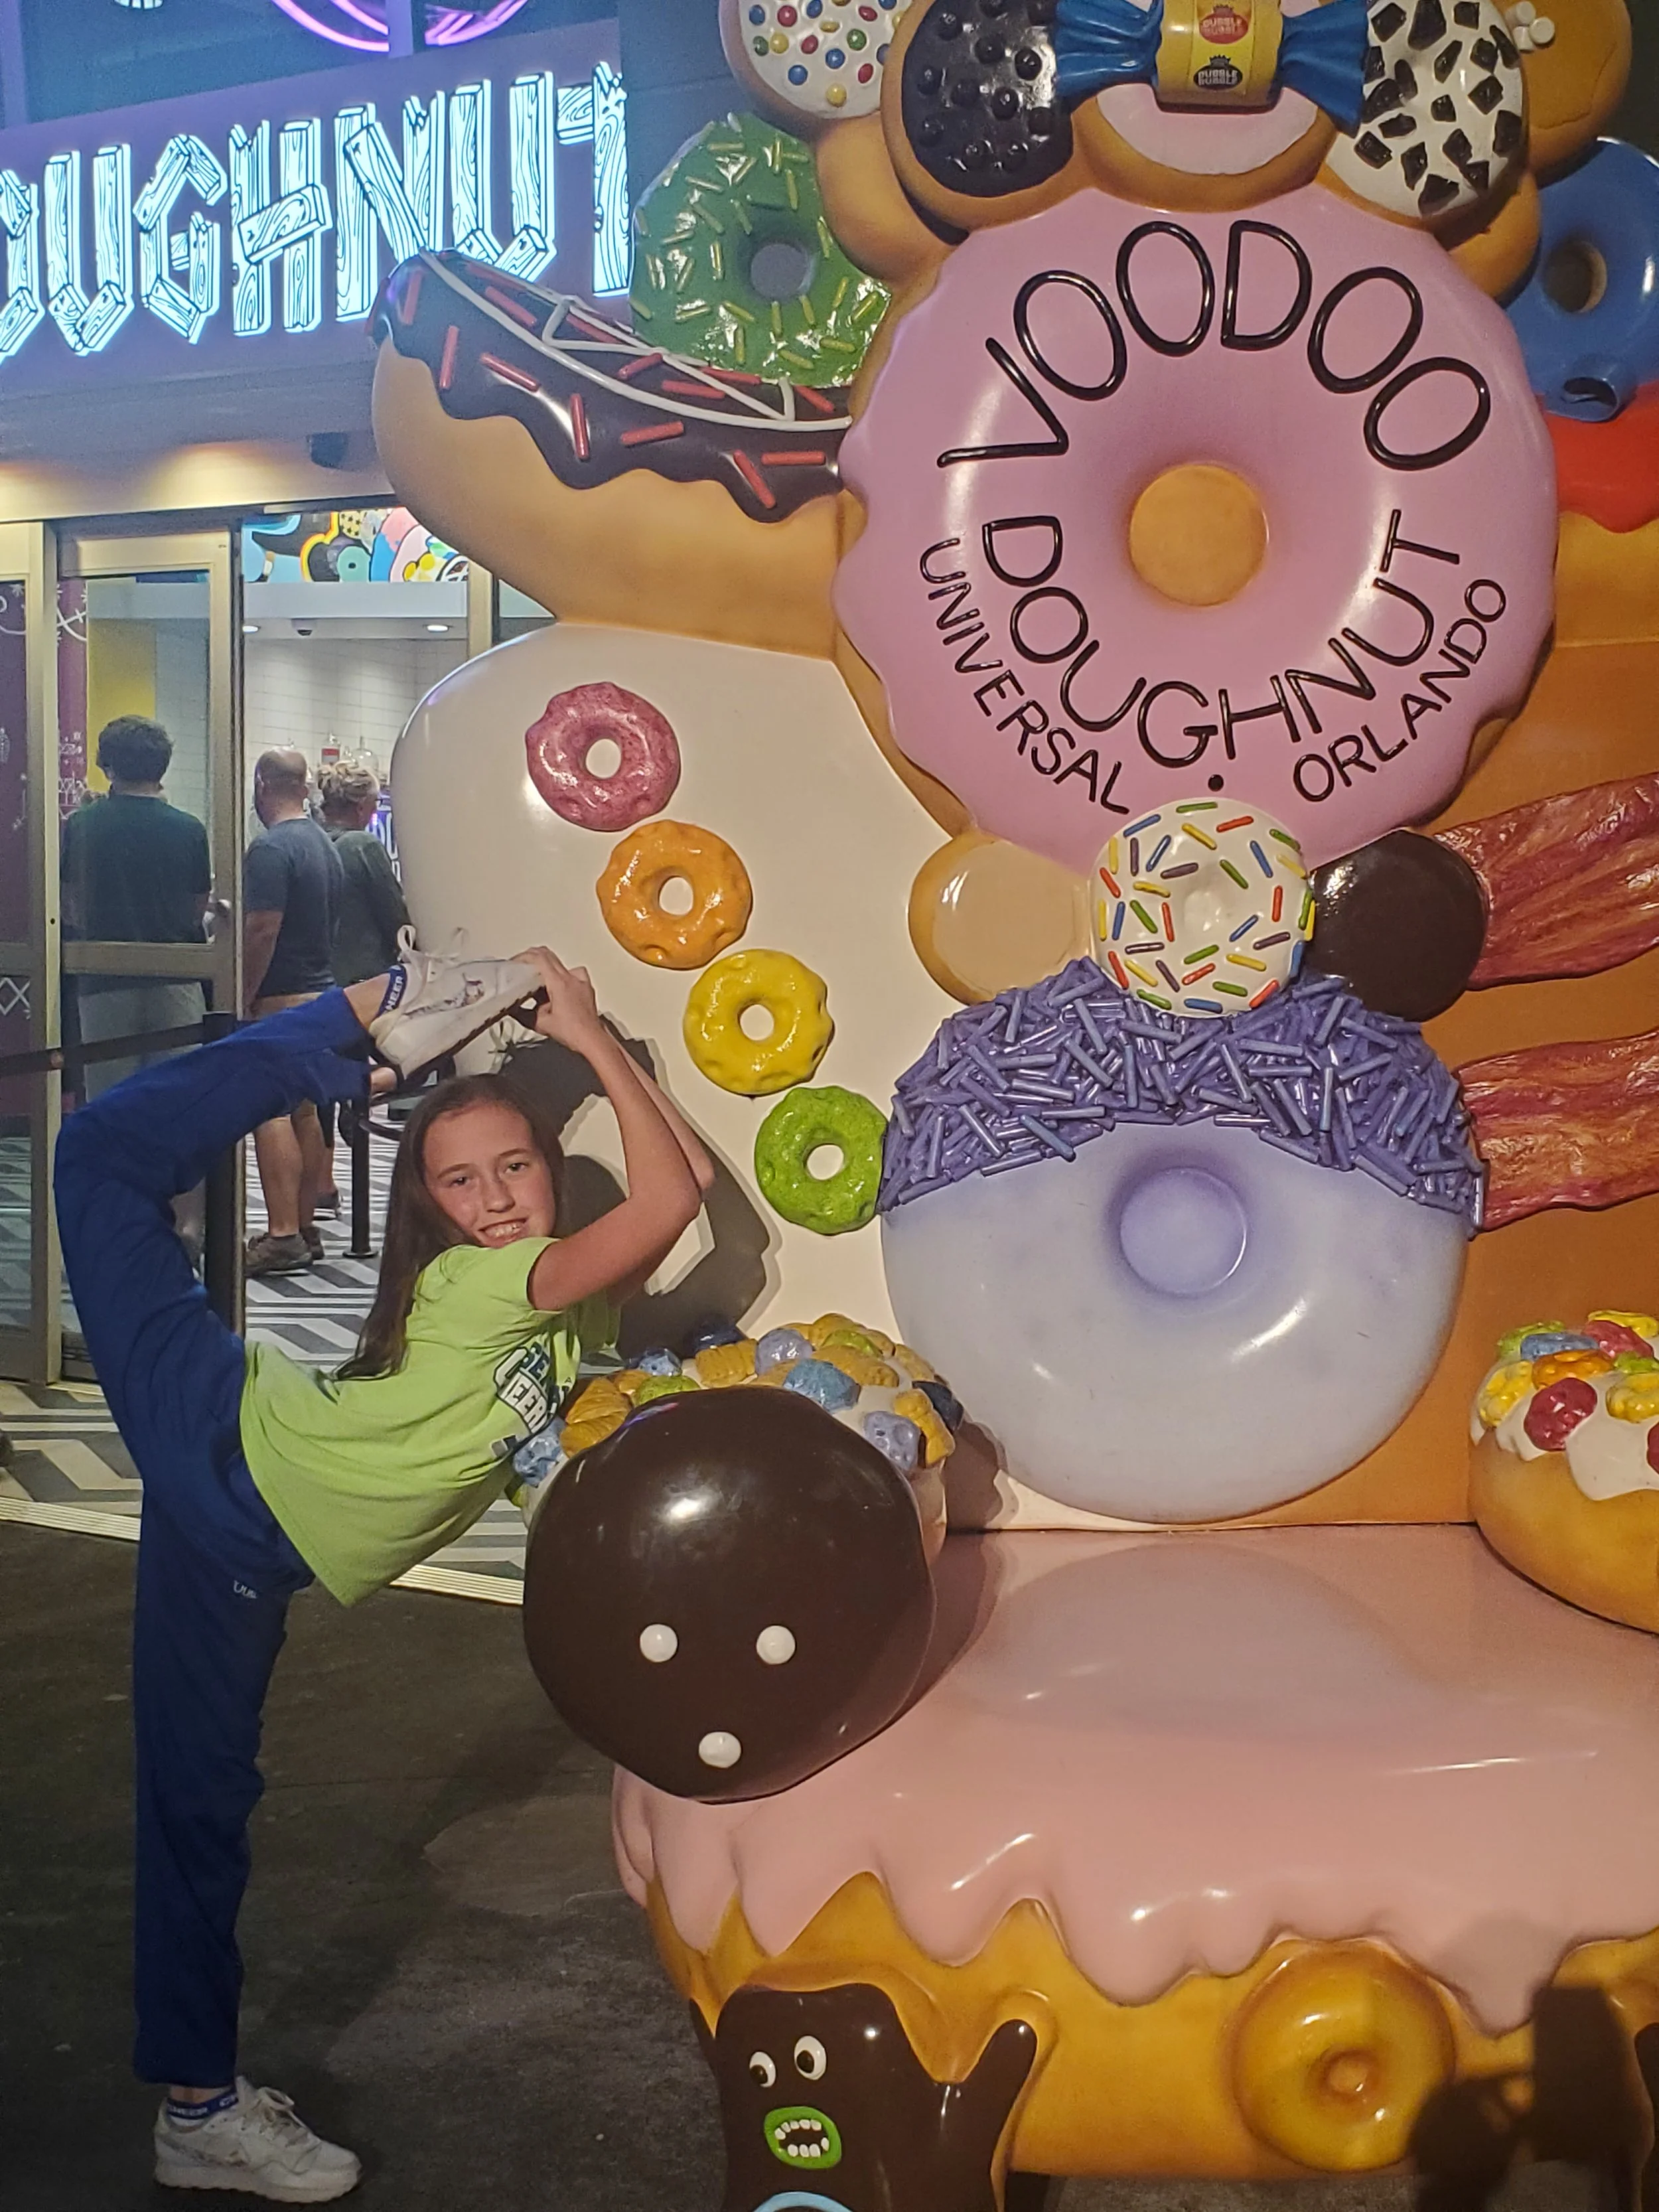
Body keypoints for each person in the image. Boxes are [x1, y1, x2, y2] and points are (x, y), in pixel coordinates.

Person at [53, 944, 713, 2202]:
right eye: (460, 1180)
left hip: (243, 1540)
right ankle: (364, 1010)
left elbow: (665, 1176)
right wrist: (578, 1028)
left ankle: (196, 2104)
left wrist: (598, 1056)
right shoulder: (493, 1285)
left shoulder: (572, 1308)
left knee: (196, 1803)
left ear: (550, 1169)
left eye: (515, 1166)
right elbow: (671, 1198)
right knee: (96, 1160)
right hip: (227, 1438)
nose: (497, 1196)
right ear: (435, 1206)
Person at [60, 715, 212, 1098]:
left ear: (107, 765)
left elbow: (71, 905)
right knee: (173, 1099)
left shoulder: (82, 825)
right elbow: (198, 907)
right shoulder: (190, 828)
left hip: (103, 979)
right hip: (177, 979)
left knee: (107, 1100)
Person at [243, 751, 344, 1276]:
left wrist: (243, 993)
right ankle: (305, 1225)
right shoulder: (324, 846)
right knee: (306, 1111)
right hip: (321, 994)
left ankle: (281, 1232)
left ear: (262, 784)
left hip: (281, 998)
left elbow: (262, 929)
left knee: (270, 1110)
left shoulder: (270, 849)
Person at [315, 763, 411, 1215]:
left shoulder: (310, 843)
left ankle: (321, 1180)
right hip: (366, 986)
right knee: (405, 1063)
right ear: (360, 806)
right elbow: (397, 917)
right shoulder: (364, 848)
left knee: (317, 1094)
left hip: (315, 985)